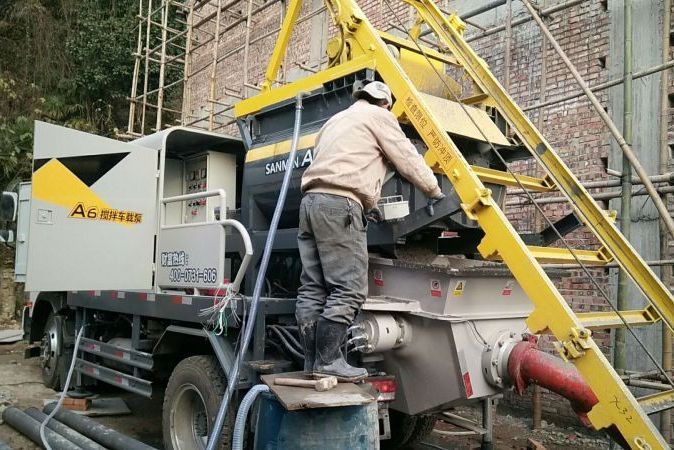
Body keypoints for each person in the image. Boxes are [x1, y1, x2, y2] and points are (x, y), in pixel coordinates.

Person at [295, 81, 445, 381]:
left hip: (311, 203)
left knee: (313, 287)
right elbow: (407, 158)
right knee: (349, 288)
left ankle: (313, 363)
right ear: (385, 103)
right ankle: (329, 361)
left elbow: (342, 164)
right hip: (340, 205)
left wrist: (366, 204)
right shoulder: (379, 117)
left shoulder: (335, 121)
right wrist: (434, 189)